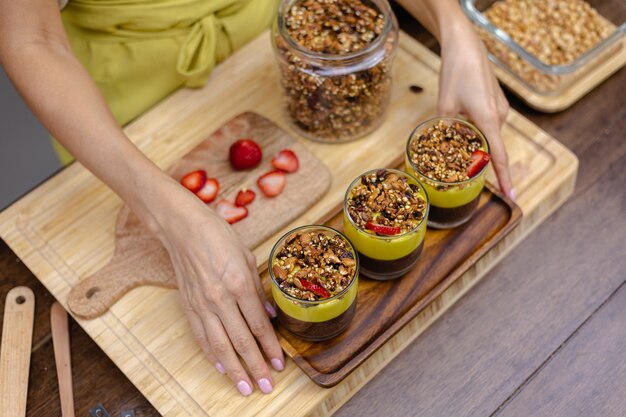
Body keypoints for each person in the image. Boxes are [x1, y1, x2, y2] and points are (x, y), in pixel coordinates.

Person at [0, 0, 513, 397]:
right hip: (120, 110)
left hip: (270, 46)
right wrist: (169, 214)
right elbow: (31, 37)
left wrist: (454, 25)